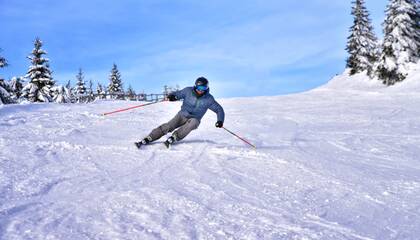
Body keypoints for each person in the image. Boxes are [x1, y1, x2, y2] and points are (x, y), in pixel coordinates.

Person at [135, 77, 225, 148]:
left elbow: (219, 109)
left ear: (207, 88)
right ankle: (150, 137)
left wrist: (220, 121)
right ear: (195, 86)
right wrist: (173, 96)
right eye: (199, 87)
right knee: (169, 126)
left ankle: (175, 137)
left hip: (195, 118)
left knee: (193, 123)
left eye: (203, 88)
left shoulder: (209, 99)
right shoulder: (188, 91)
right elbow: (178, 94)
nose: (200, 90)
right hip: (182, 115)